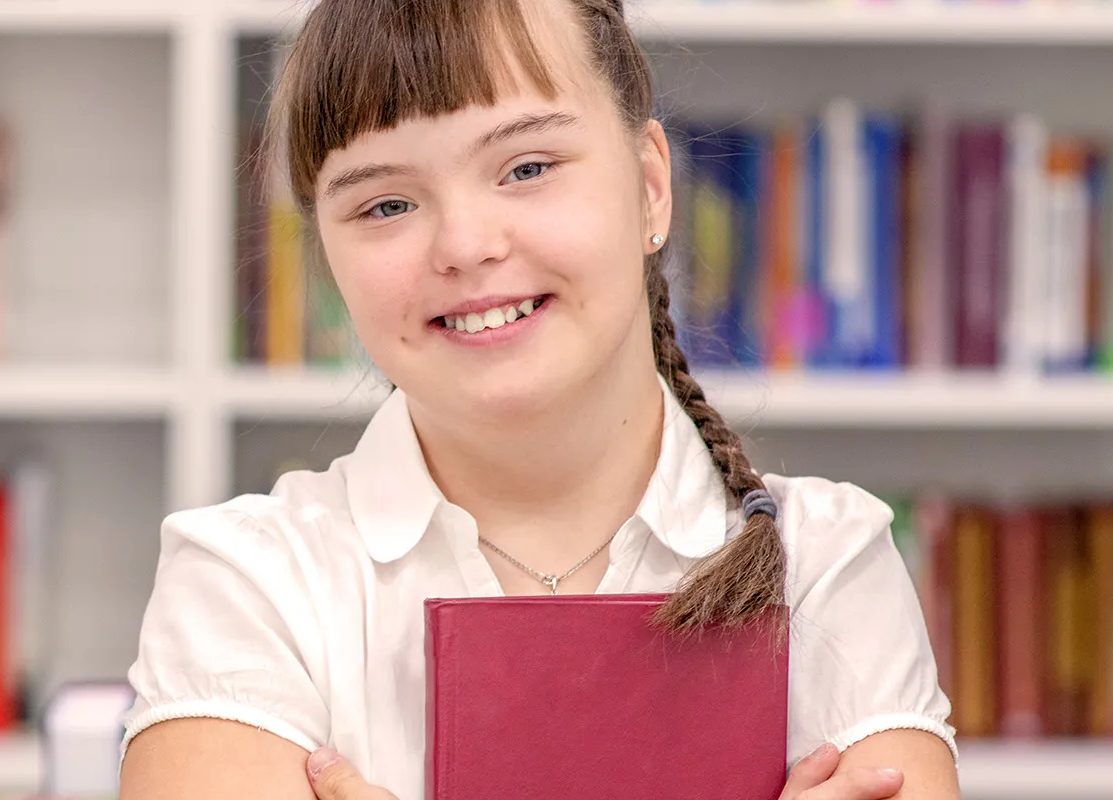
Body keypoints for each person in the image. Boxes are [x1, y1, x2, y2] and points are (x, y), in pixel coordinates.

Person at [116, 0, 959, 798]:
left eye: (526, 167)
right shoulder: (248, 584)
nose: (466, 246)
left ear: (651, 187)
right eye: (388, 204)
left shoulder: (825, 566)